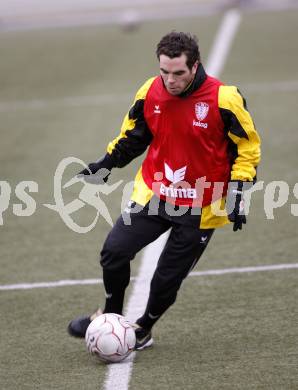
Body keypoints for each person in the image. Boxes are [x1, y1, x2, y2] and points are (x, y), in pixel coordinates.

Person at [68, 31, 261, 349]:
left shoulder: (225, 99)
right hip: (155, 193)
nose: (170, 80)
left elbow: (247, 149)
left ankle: (142, 329)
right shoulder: (151, 91)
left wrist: (239, 193)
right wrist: (106, 163)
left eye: (178, 73)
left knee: (165, 280)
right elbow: (134, 136)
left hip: (203, 205)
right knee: (114, 253)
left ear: (195, 65)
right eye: (164, 71)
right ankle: (112, 317)